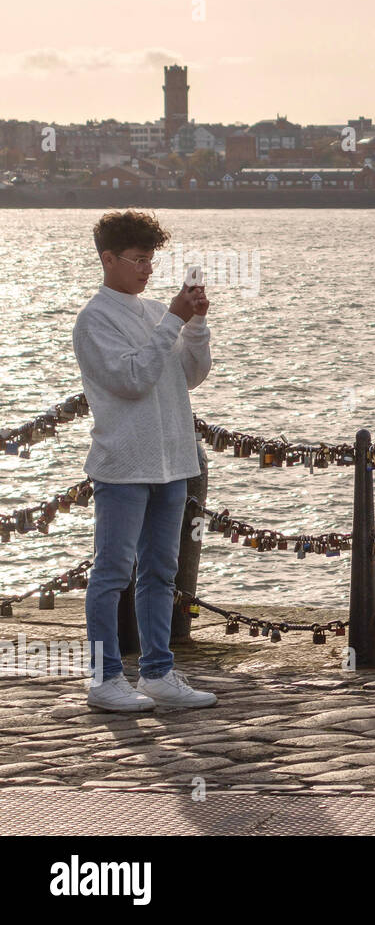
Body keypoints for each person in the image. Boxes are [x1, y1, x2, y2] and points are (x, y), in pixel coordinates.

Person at [73, 210, 218, 712]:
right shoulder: (94, 320)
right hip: (122, 467)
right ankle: (104, 678)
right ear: (107, 259)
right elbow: (130, 380)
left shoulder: (157, 310)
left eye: (150, 261)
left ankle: (157, 672)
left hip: (173, 462)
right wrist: (174, 320)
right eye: (137, 260)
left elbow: (190, 375)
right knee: (112, 572)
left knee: (162, 572)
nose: (146, 269)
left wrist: (194, 323)